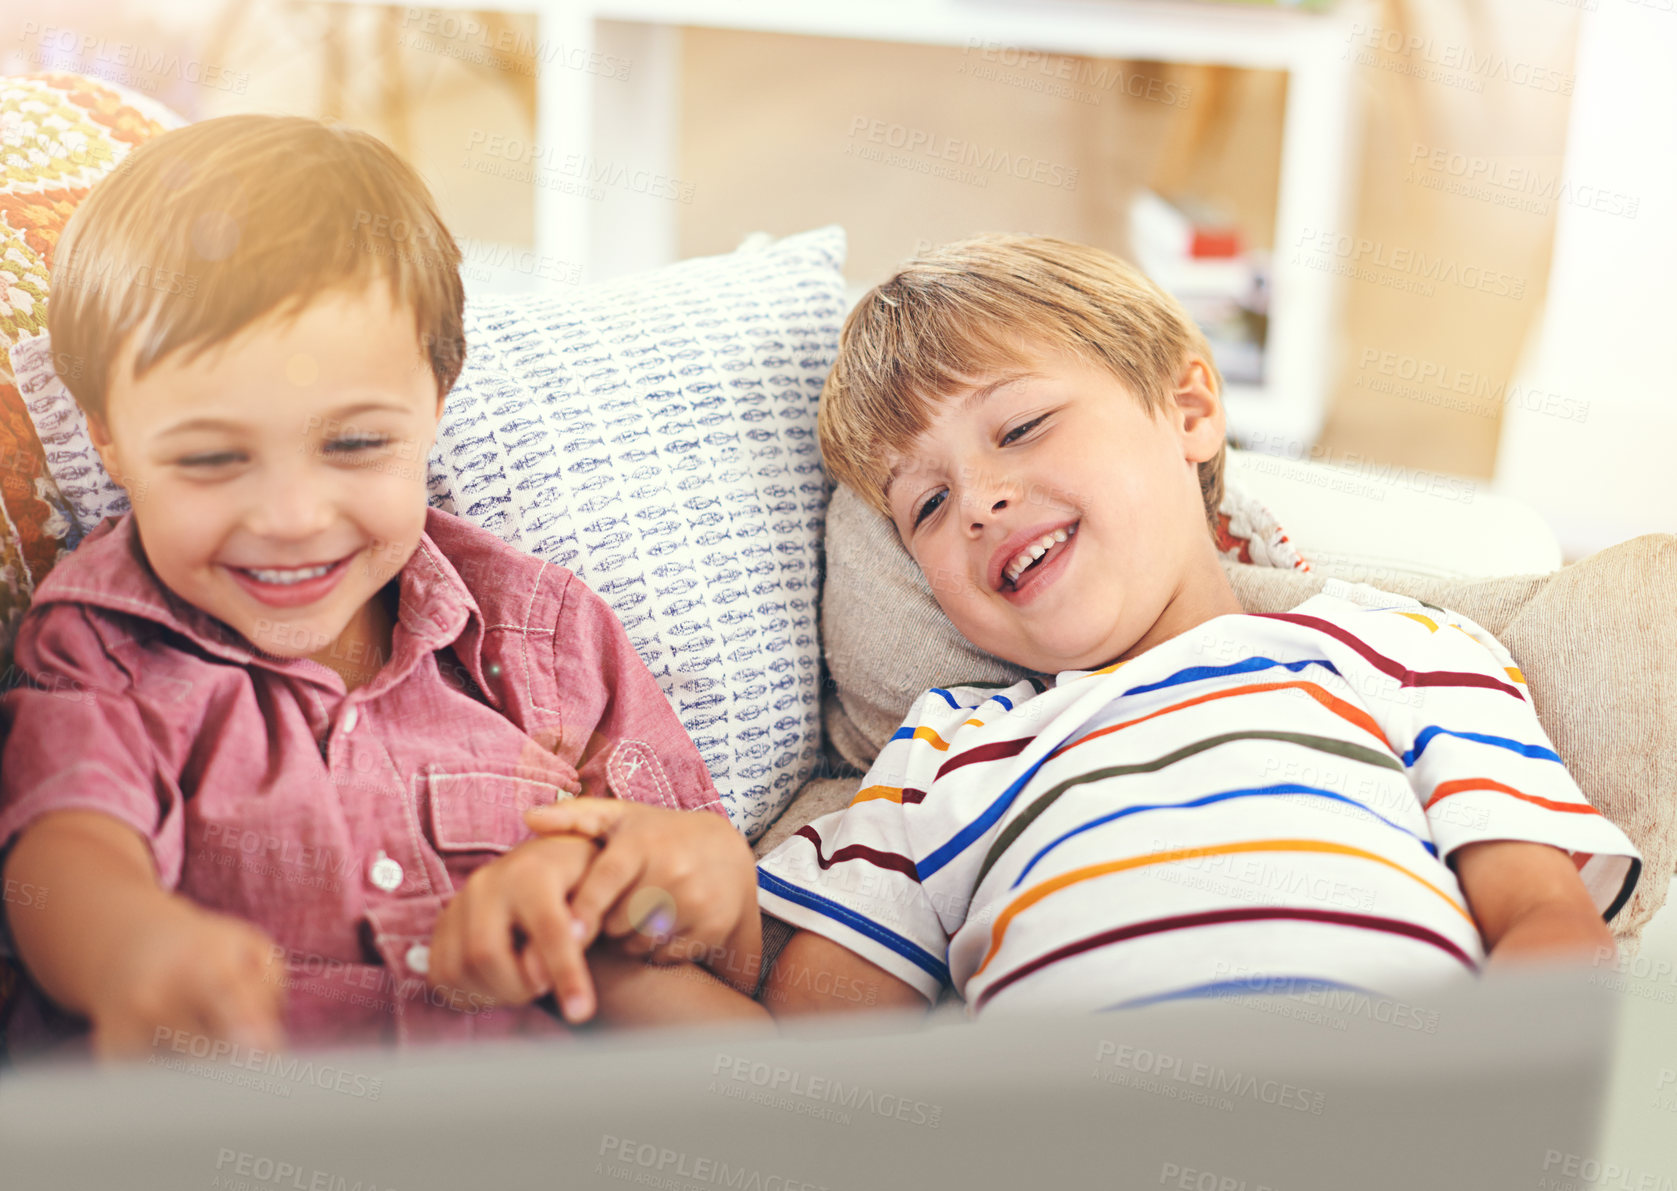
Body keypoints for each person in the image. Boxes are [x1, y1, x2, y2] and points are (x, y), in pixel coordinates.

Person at [0, 115, 764, 1059]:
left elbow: (696, 915)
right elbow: (67, 847)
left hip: (560, 1117)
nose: (289, 515)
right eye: (209, 457)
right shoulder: (106, 644)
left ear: (436, 400)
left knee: (714, 1032)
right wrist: (131, 953)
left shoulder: (537, 633)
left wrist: (650, 887)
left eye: (355, 444)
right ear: (107, 435)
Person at [727, 234, 1640, 1016]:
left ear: (1189, 411)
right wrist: (653, 917)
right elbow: (805, 1062)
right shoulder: (943, 758)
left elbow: (1545, 926)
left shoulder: (1395, 647)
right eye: (926, 503)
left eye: (1021, 427)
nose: (978, 501)